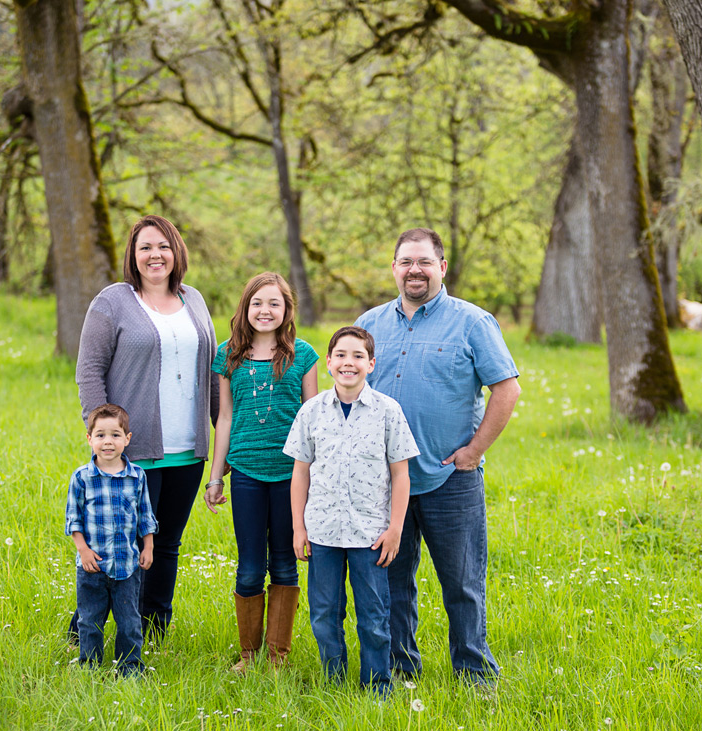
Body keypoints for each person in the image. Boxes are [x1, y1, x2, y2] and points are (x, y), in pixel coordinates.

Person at [354, 227, 521, 686]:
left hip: (451, 480)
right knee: (392, 584)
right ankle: (399, 668)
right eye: (406, 261)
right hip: (386, 483)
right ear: (394, 268)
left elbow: (506, 389)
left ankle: (474, 675)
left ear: (441, 268)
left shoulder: (472, 322)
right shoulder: (369, 325)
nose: (415, 270)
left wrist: (474, 450)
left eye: (424, 262)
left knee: (463, 585)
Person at [76, 214, 218, 640]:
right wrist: (104, 437)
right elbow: (90, 371)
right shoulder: (113, 301)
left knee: (167, 544)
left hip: (188, 447)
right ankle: (89, 628)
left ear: (177, 252)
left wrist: (218, 436)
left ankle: (153, 629)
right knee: (124, 544)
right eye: (145, 248)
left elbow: (211, 373)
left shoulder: (193, 299)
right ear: (133, 257)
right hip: (133, 450)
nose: (155, 255)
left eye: (163, 246)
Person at [284, 326, 419, 697]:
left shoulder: (388, 412)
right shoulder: (311, 412)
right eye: (341, 355)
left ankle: (377, 685)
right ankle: (334, 680)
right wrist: (299, 527)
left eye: (358, 356)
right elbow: (300, 473)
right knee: (325, 614)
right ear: (328, 363)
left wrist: (395, 529)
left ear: (371, 364)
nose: (349, 363)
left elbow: (401, 474)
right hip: (323, 532)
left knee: (374, 616)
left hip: (370, 534)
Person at [203, 272, 319, 672]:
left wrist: (316, 479)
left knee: (285, 562)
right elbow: (226, 418)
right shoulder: (228, 355)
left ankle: (277, 656)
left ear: (287, 310)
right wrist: (217, 476)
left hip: (292, 474)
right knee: (250, 565)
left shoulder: (302, 355)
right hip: (248, 472)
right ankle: (249, 654)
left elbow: (313, 419)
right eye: (257, 303)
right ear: (245, 308)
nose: (265, 310)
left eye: (274, 303)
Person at [65, 404, 158, 675]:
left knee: (129, 622)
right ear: (89, 439)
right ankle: (89, 665)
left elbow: (145, 515)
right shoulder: (82, 478)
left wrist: (148, 546)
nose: (108, 441)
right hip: (92, 567)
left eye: (116, 435)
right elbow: (74, 519)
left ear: (127, 439)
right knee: (90, 620)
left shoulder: (136, 476)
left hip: (127, 566)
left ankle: (130, 667)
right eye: (101, 435)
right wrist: (82, 550)